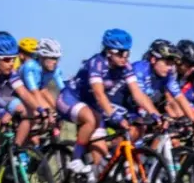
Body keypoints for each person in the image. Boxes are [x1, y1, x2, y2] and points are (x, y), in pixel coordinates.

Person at [57, 29, 160, 175]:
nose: (125, 57)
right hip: (71, 98)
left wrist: (155, 114)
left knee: (101, 164)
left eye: (127, 53)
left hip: (92, 105)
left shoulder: (126, 67)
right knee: (91, 119)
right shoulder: (97, 63)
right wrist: (114, 116)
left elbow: (138, 94)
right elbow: (99, 94)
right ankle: (76, 158)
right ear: (109, 52)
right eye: (120, 53)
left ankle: (95, 176)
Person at [0, 32, 43, 152]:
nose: (12, 63)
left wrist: (40, 109)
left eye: (14, 58)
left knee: (27, 112)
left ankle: (14, 152)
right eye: (7, 59)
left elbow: (23, 92)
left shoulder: (10, 71)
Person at [130, 39, 194, 121]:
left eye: (172, 64)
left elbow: (180, 97)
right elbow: (141, 97)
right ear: (153, 60)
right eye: (167, 64)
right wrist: (157, 116)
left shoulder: (168, 75)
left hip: (140, 108)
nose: (170, 68)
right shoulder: (139, 68)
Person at [19, 38, 65, 111]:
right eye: (52, 58)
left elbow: (63, 91)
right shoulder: (30, 66)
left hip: (34, 93)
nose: (55, 62)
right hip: (16, 94)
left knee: (58, 113)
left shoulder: (55, 70)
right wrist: (48, 111)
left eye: (57, 58)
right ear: (42, 57)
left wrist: (59, 110)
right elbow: (34, 92)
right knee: (39, 115)